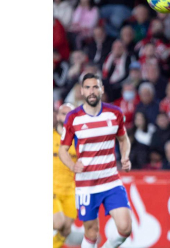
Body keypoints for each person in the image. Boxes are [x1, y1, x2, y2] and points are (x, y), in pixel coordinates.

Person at [59, 73, 133, 248]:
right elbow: (63, 150)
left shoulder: (114, 113)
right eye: (87, 87)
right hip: (86, 184)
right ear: (82, 92)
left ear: (102, 90)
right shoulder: (73, 117)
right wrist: (72, 165)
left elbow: (124, 139)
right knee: (91, 233)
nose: (92, 91)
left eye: (95, 87)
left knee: (125, 228)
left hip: (111, 180)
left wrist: (125, 156)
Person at [53, 103, 77, 248]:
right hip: (52, 188)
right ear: (57, 116)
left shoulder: (80, 141)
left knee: (66, 229)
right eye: (63, 113)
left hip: (70, 190)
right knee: (58, 222)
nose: (66, 116)